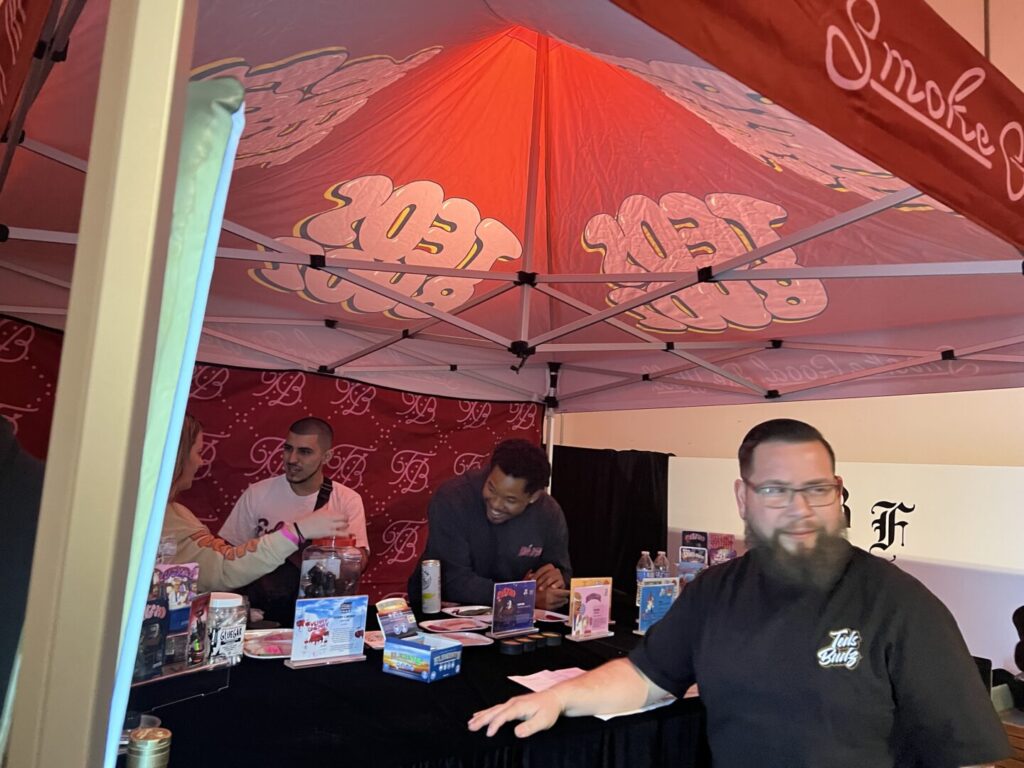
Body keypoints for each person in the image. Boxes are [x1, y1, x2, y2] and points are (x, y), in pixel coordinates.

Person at [469, 419, 1011, 768]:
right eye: (775, 490)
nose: (800, 509)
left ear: (839, 492)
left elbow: (968, 757)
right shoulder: (715, 592)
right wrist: (559, 698)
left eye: (817, 489)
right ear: (743, 498)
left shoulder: (901, 605)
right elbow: (646, 678)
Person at [162, 414, 351, 593]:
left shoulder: (174, 512)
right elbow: (225, 566)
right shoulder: (167, 517)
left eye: (305, 452)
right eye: (198, 452)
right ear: (177, 457)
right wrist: (296, 532)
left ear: (326, 457)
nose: (201, 461)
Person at [411, 439, 571, 611]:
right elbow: (454, 581)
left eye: (510, 500)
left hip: (517, 618)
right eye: (491, 488)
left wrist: (554, 583)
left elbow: (561, 572)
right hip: (450, 615)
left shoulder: (549, 513)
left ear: (533, 497)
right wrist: (525, 597)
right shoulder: (453, 498)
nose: (495, 504)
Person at [217, 417, 369, 569]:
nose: (292, 459)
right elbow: (228, 555)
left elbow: (359, 563)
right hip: (260, 591)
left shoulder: (347, 500)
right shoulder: (256, 493)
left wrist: (338, 548)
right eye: (288, 448)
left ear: (326, 457)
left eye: (304, 452)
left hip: (317, 591)